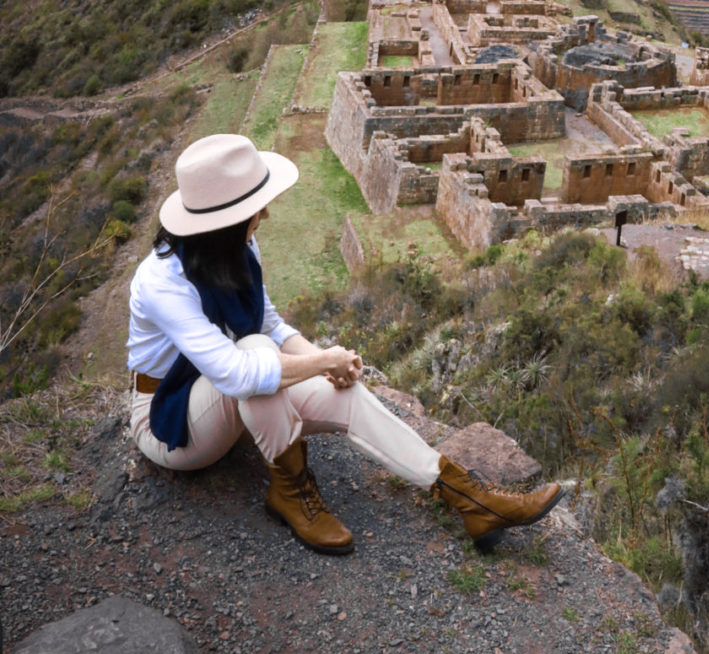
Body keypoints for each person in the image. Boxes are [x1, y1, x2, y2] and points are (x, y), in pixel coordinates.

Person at [127, 133, 563, 554]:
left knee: (344, 391)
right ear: (226, 221)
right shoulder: (162, 280)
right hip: (171, 424)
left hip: (228, 399)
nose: (265, 217)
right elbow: (238, 372)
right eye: (257, 210)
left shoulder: (234, 247)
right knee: (255, 356)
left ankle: (468, 498)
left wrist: (327, 363)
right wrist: (321, 361)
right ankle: (292, 493)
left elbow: (270, 323)